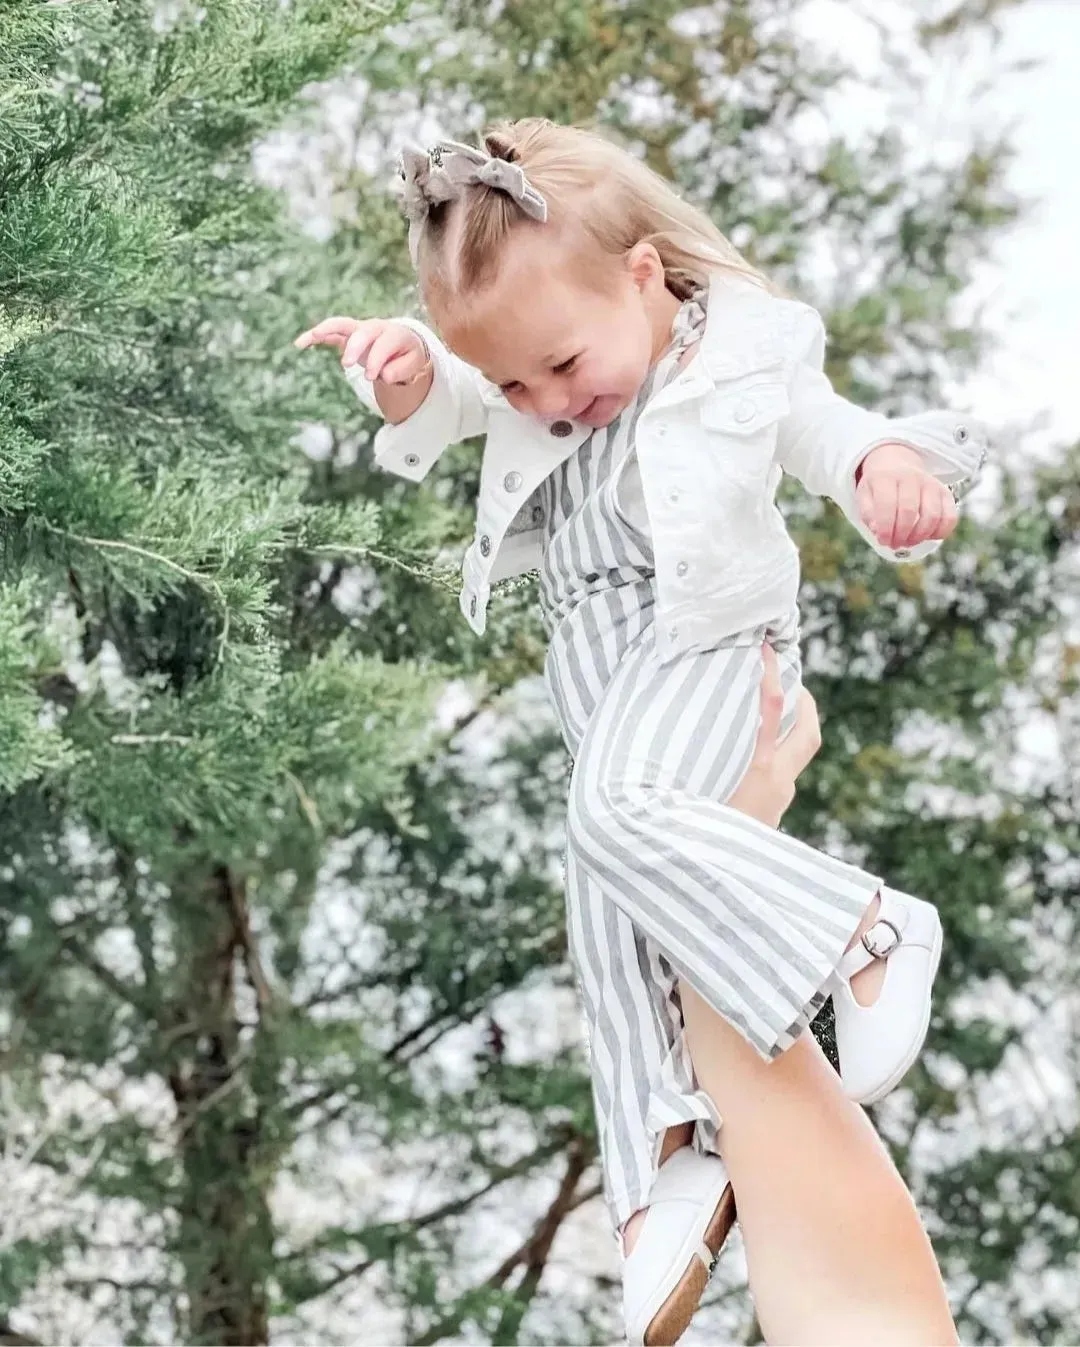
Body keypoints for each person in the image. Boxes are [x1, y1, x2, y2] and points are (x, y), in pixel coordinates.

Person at [296, 119, 981, 1344]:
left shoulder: (738, 353)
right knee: (607, 914)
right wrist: (410, 374)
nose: (547, 403)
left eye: (559, 366)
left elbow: (822, 429)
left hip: (712, 644)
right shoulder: (532, 371)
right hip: (602, 675)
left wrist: (886, 464)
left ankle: (865, 929)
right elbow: (459, 391)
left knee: (613, 818)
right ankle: (663, 1152)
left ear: (644, 275)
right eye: (517, 386)